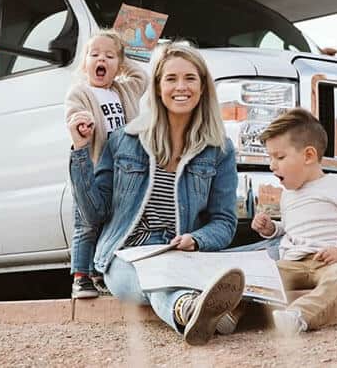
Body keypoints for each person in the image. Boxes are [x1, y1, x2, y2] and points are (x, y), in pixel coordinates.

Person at [67, 42, 244, 345]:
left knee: (270, 249)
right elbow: (94, 213)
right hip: (126, 256)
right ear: (158, 87)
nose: (181, 87)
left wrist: (198, 239)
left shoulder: (220, 149)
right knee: (157, 282)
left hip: (183, 253)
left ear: (203, 87)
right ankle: (187, 309)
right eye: (171, 78)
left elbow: (224, 222)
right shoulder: (124, 141)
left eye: (190, 78)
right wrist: (80, 151)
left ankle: (216, 308)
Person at [251, 107, 337, 333]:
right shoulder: (288, 195)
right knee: (262, 274)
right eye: (270, 158)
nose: (272, 166)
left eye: (279, 157)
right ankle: (227, 315)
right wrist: (273, 229)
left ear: (309, 156)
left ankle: (299, 315)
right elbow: (296, 231)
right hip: (296, 263)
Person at [64, 30, 148, 299]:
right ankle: (81, 276)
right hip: (94, 163)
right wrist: (82, 121)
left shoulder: (124, 89)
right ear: (85, 62)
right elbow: (73, 111)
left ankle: (99, 271)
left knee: (112, 220)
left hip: (123, 168)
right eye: (95, 54)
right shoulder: (81, 91)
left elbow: (141, 77)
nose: (102, 59)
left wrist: (124, 53)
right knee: (87, 221)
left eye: (110, 56)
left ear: (119, 64)